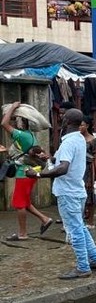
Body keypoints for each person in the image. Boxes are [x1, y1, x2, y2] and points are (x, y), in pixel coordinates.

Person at [26, 109, 96, 279]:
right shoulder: (79, 139)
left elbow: (63, 168)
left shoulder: (68, 142)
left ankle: (83, 267)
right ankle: (95, 258)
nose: (60, 120)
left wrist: (37, 174)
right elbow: (60, 163)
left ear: (67, 122)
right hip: (77, 190)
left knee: (74, 230)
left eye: (62, 118)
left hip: (68, 193)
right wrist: (46, 159)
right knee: (80, 227)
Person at [1, 101, 53, 241]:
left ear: (21, 122)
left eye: (16, 119)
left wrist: (12, 107)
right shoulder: (30, 134)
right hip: (30, 173)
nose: (13, 122)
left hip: (23, 173)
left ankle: (23, 233)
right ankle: (45, 219)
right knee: (25, 202)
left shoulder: (21, 135)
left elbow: (4, 124)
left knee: (19, 204)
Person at [80, 116, 96, 229]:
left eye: (82, 125)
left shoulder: (93, 140)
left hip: (89, 168)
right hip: (79, 168)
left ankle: (91, 221)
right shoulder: (76, 139)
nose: (80, 127)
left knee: (90, 194)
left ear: (87, 126)